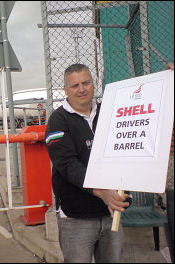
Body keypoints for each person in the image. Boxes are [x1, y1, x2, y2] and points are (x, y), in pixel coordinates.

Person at [45, 64, 131, 263]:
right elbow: (67, 164)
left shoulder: (111, 112)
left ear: (94, 84)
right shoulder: (58, 120)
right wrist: (102, 192)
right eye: (75, 85)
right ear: (65, 90)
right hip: (77, 217)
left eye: (86, 83)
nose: (81, 89)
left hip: (111, 212)